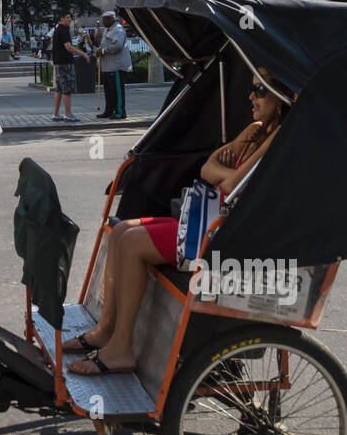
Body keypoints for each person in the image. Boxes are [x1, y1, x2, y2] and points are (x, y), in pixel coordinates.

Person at [63, 68, 295, 375]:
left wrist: (221, 172)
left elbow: (228, 183)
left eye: (260, 91)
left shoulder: (279, 136)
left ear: (280, 97)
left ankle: (120, 349)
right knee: (121, 231)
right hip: (210, 222)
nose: (251, 97)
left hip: (228, 237)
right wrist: (220, 171)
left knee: (132, 245)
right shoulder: (255, 129)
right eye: (251, 89)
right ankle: (106, 329)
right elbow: (206, 169)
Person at [51, 9, 91, 123]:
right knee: (67, 89)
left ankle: (56, 114)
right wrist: (83, 53)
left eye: (70, 17)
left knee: (59, 89)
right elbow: (68, 47)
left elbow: (68, 46)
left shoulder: (58, 30)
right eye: (67, 17)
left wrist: (78, 48)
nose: (70, 19)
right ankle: (68, 114)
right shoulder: (63, 30)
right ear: (61, 19)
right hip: (65, 63)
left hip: (59, 63)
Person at [96, 10, 131, 120]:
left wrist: (103, 51)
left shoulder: (118, 29)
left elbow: (118, 45)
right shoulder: (108, 29)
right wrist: (99, 49)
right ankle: (109, 110)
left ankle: (120, 112)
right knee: (109, 91)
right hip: (107, 66)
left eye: (105, 20)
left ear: (111, 19)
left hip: (116, 66)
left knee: (117, 91)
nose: (103, 22)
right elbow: (104, 44)